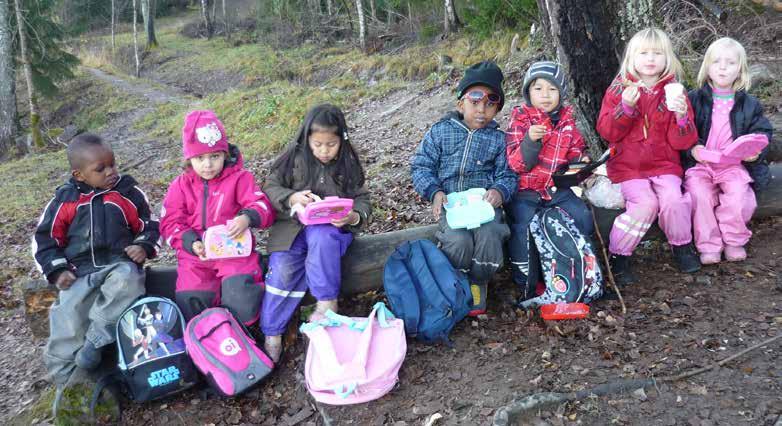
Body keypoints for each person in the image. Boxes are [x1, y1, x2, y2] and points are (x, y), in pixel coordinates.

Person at [32, 133, 158, 408]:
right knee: (68, 317)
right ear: (79, 174)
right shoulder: (65, 201)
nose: (110, 172)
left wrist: (143, 246)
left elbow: (150, 224)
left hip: (118, 263)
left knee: (128, 281)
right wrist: (57, 270)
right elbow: (45, 240)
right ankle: (68, 384)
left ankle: (97, 341)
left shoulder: (126, 193)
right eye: (100, 169)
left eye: (112, 164)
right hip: (78, 272)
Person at [261, 104, 372, 362]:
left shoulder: (347, 164)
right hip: (291, 230)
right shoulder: (293, 158)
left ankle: (326, 304)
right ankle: (272, 334)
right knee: (283, 268)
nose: (324, 151)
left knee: (322, 238)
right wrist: (292, 198)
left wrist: (353, 215)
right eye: (318, 144)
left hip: (329, 232)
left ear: (341, 140)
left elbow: (363, 200)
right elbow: (270, 186)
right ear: (307, 138)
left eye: (331, 145)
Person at [411, 60, 518, 316]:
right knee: (458, 241)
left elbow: (509, 173)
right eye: (474, 102)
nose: (481, 110)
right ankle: (456, 279)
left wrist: (499, 191)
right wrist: (435, 192)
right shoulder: (440, 132)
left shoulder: (498, 140)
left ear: (498, 109)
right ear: (461, 103)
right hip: (453, 206)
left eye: (490, 105)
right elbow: (421, 166)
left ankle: (479, 281)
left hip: (483, 207)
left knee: (490, 235)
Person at [596, 28, 701, 285]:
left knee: (674, 200)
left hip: (665, 165)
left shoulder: (674, 91)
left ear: (668, 58)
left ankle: (682, 245)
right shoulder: (619, 89)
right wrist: (626, 107)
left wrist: (681, 116)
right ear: (632, 57)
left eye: (658, 53)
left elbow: (683, 141)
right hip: (629, 166)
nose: (650, 59)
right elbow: (607, 131)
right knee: (645, 205)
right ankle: (618, 256)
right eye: (644, 53)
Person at [160, 110, 275, 324]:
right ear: (189, 158)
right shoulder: (181, 185)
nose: (208, 165)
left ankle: (244, 335)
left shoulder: (240, 178)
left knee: (241, 294)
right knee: (191, 297)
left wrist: (247, 218)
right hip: (197, 257)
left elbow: (262, 205)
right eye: (199, 158)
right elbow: (170, 222)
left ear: (225, 154)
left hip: (234, 251)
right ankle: (205, 341)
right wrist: (190, 242)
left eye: (215, 156)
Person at [684, 37, 773, 264]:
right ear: (707, 67)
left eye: (730, 63)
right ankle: (709, 245)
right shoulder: (694, 99)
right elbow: (683, 130)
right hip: (702, 164)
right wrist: (692, 148)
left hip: (733, 164)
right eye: (717, 62)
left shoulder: (749, 103)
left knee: (738, 195)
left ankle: (734, 240)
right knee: (699, 195)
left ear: (740, 70)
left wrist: (755, 152)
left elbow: (762, 131)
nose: (723, 67)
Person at [505, 61, 594, 288]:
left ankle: (577, 267)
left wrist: (580, 161)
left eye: (552, 89)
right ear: (528, 93)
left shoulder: (566, 120)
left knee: (581, 215)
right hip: (526, 190)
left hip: (557, 188)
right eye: (538, 89)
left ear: (561, 93)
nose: (545, 95)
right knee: (523, 225)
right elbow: (516, 164)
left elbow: (575, 148)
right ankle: (525, 278)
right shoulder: (521, 119)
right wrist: (530, 142)